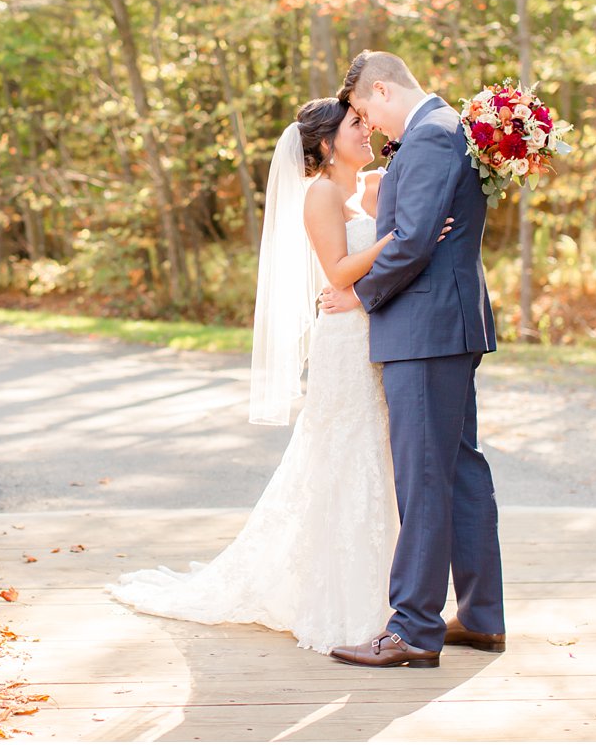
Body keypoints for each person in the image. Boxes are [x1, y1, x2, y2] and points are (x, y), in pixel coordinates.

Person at [106, 96, 451, 654]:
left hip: (371, 329)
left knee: (377, 462)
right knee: (346, 455)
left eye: (365, 121)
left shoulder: (367, 188)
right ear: (323, 144)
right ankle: (346, 602)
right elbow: (337, 271)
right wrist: (405, 237)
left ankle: (393, 597)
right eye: (355, 126)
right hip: (344, 343)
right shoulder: (319, 194)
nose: (367, 132)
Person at [325, 50, 506, 669]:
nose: (367, 126)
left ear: (381, 90)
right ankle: (481, 618)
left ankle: (413, 629)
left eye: (361, 111)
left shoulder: (429, 134)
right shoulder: (446, 129)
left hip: (425, 327)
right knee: (457, 468)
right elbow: (420, 230)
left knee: (424, 476)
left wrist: (358, 294)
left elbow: (413, 241)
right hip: (445, 324)